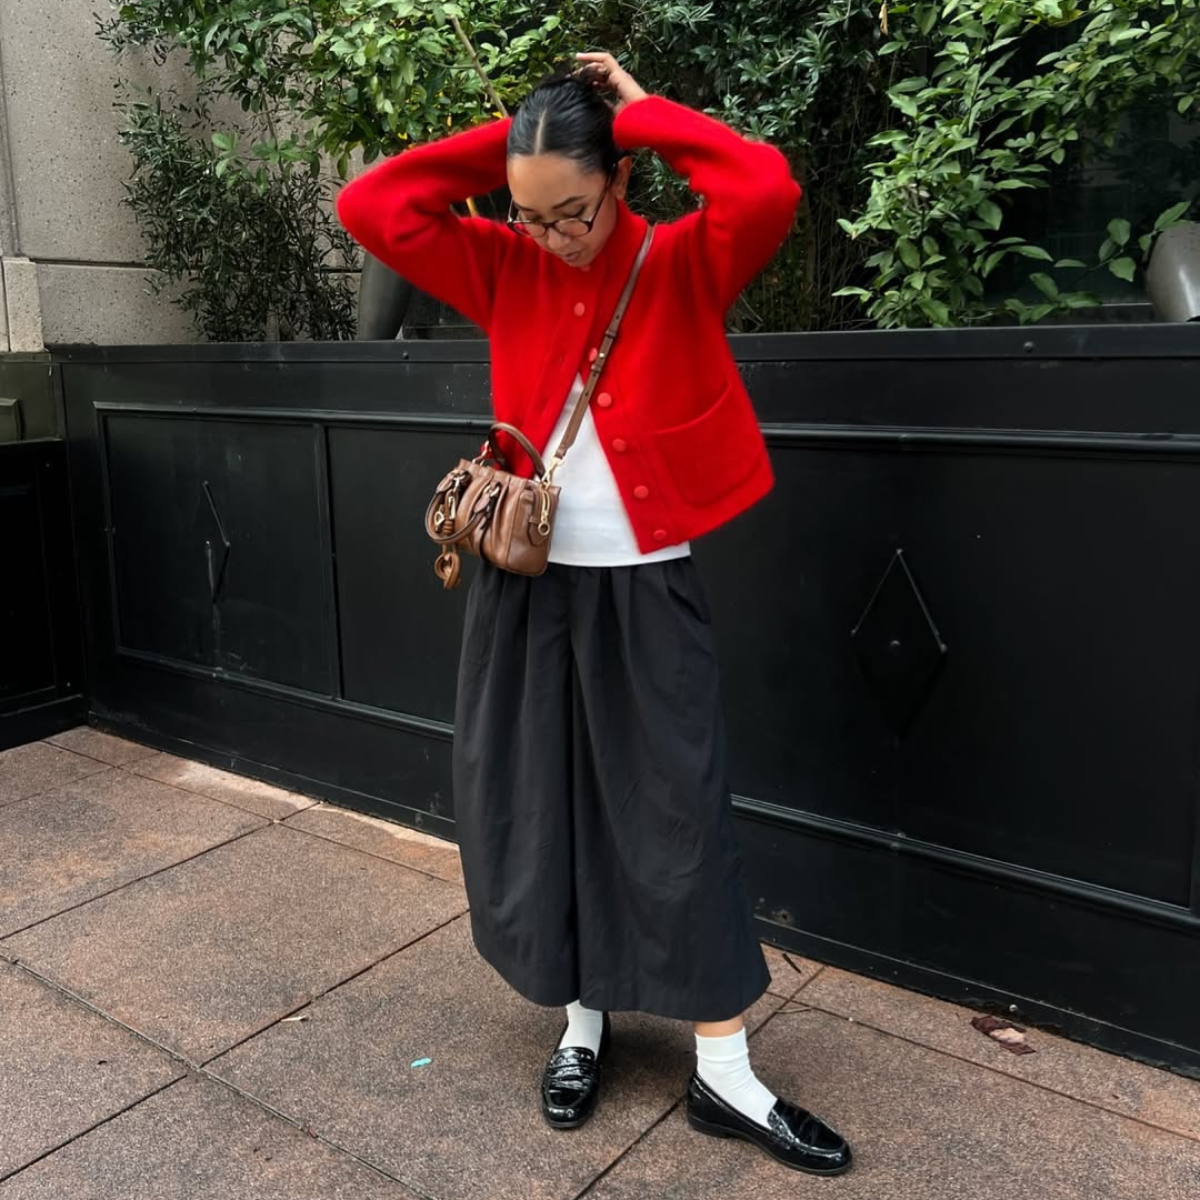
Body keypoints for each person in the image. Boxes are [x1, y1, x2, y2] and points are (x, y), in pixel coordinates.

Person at [337, 50, 852, 1177]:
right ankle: (581, 1021)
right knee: (538, 803)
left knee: (680, 814)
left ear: (618, 183)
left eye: (572, 209)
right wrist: (516, 146)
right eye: (530, 216)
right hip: (525, 586)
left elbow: (765, 187)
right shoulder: (501, 262)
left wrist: (640, 118)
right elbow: (368, 204)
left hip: (646, 586)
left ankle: (724, 1068)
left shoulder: (680, 262)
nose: (552, 236)